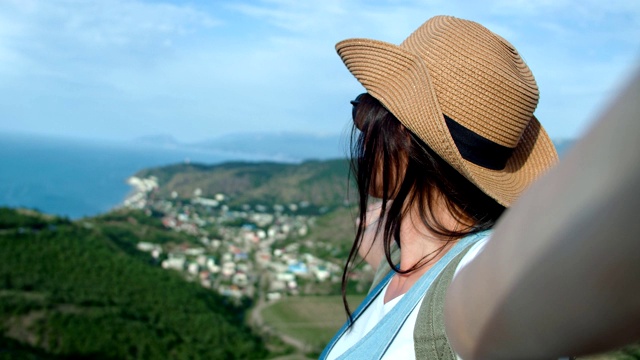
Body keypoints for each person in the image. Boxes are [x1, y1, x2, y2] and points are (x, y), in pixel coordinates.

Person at [321, 15, 640, 360]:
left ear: (400, 134)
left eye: (365, 112)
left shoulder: (483, 286)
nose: (362, 133)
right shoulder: (405, 260)